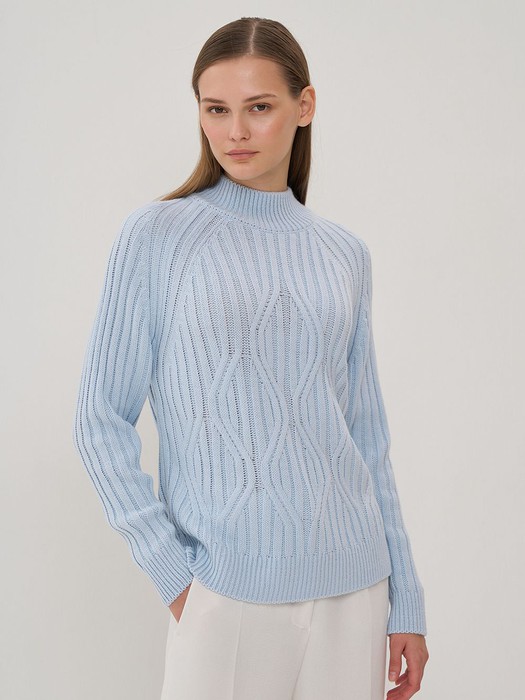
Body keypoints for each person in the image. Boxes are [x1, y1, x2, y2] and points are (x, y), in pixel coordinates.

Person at [73, 16, 429, 700]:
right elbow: (98, 419)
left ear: (304, 106)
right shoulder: (157, 237)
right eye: (216, 109)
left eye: (258, 107)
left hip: (356, 589)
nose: (235, 131)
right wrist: (173, 575)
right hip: (225, 592)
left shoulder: (344, 253)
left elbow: (366, 438)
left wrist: (405, 600)